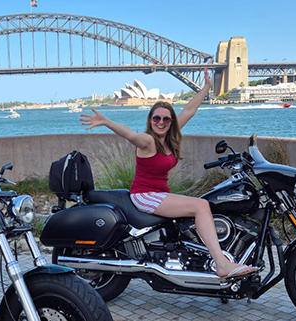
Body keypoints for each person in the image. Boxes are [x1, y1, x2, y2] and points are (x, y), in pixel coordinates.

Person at [79, 69, 256, 279]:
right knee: (201, 206)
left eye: (166, 118)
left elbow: (189, 110)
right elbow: (129, 134)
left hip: (160, 194)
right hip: (144, 195)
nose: (161, 122)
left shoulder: (169, 136)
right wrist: (107, 121)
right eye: (156, 118)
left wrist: (207, 87)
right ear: (150, 120)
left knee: (200, 205)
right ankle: (221, 264)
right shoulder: (148, 141)